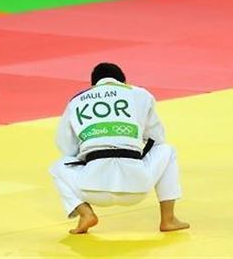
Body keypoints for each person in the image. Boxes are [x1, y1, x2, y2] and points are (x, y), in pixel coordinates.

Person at [50, 62, 189, 234]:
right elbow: (157, 138)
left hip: (92, 189)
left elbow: (65, 145)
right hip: (137, 188)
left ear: (93, 85)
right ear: (123, 81)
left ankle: (85, 213)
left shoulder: (77, 100)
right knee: (167, 150)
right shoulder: (140, 94)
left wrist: (91, 148)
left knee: (59, 166)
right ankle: (168, 220)